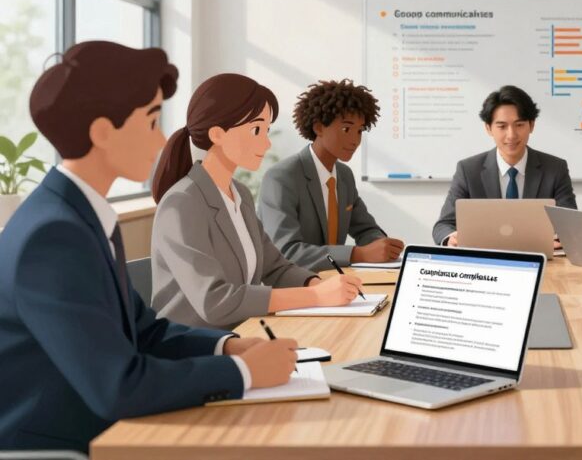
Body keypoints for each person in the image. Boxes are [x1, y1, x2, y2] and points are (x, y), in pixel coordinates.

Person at [0, 42, 297, 452]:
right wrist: (242, 373)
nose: (161, 141)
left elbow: (144, 330)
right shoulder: (53, 236)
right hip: (64, 446)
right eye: (152, 121)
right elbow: (117, 386)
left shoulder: (80, 215)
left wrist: (226, 346)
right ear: (102, 131)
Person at [149, 74, 363, 330]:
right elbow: (215, 301)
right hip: (191, 345)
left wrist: (318, 284)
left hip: (242, 333)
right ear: (217, 134)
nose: (266, 142)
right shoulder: (181, 204)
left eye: (267, 130)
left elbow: (275, 268)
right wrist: (315, 296)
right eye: (256, 130)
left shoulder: (239, 193)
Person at [259, 79, 404, 271]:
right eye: (346, 129)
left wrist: (381, 246)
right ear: (318, 127)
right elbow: (286, 252)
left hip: (335, 280)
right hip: (295, 284)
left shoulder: (344, 175)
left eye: (359, 131)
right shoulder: (281, 177)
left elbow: (365, 228)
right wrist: (358, 254)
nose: (355, 140)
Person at [432, 85, 577, 246]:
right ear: (488, 128)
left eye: (519, 125)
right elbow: (443, 226)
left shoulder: (555, 169)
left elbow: (572, 225)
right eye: (502, 126)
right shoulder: (468, 170)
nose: (511, 135)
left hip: (540, 257)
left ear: (531, 125)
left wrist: (560, 238)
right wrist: (451, 238)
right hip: (487, 258)